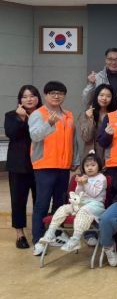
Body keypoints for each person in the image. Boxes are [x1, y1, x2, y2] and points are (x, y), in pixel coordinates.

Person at [29, 81, 77, 256]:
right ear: (45, 95)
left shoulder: (68, 114)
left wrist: (75, 159)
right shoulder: (38, 114)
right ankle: (38, 239)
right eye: (52, 93)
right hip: (45, 165)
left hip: (63, 166)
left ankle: (56, 233)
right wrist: (48, 123)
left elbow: (73, 140)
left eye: (60, 93)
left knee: (60, 204)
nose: (56, 96)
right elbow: (34, 135)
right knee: (42, 203)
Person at [39, 153, 107, 253]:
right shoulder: (83, 177)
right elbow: (77, 194)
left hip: (95, 205)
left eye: (93, 165)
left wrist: (85, 183)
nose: (90, 168)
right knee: (63, 209)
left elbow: (94, 194)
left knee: (83, 211)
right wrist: (79, 184)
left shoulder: (101, 178)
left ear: (99, 166)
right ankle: (50, 233)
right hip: (81, 203)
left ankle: (75, 239)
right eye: (87, 165)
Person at [4, 85, 42, 249]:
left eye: (32, 96)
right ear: (20, 99)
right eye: (25, 96)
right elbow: (11, 133)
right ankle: (20, 234)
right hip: (18, 165)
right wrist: (21, 118)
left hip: (40, 164)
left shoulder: (43, 114)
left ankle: (39, 231)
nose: (29, 99)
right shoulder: (11, 115)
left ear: (38, 98)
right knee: (18, 201)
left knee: (39, 200)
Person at [77, 84, 117, 162]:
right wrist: (90, 119)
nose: (104, 98)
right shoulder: (87, 114)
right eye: (101, 95)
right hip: (91, 156)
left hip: (110, 155)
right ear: (96, 96)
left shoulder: (116, 115)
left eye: (108, 96)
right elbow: (86, 137)